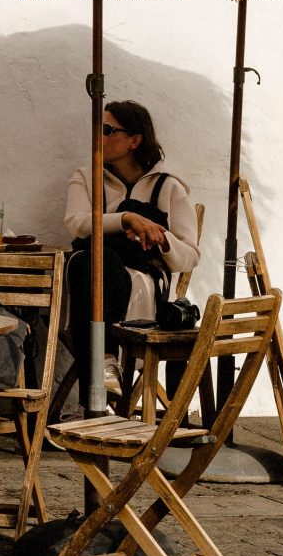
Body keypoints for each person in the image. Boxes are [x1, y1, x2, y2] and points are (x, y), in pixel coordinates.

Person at [64, 98, 198, 369]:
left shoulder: (168, 186)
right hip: (90, 274)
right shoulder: (86, 177)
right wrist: (126, 219)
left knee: (101, 264)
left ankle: (100, 372)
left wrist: (159, 236)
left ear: (134, 141)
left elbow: (190, 256)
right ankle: (104, 361)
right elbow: (76, 224)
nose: (97, 136)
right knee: (92, 261)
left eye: (107, 130)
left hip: (144, 284)